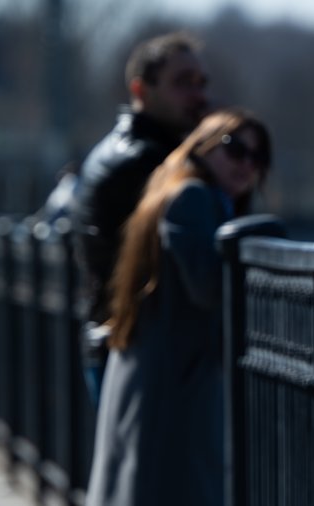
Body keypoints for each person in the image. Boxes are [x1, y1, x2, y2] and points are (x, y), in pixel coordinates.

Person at [85, 108, 272, 506]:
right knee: (171, 483)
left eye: (257, 158)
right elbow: (206, 287)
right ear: (202, 146)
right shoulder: (193, 196)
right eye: (235, 149)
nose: (247, 164)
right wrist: (250, 240)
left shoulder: (176, 189)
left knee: (145, 480)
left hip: (158, 366)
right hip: (173, 376)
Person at [70, 32, 209, 405]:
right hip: (140, 353)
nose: (199, 95)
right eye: (182, 83)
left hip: (122, 346)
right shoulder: (143, 163)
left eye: (201, 82)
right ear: (140, 89)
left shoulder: (120, 149)